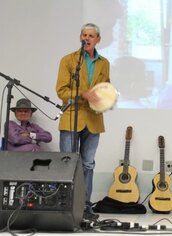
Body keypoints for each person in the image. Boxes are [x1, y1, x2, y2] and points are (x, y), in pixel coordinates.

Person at [56, 23, 110, 220]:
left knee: (88, 164)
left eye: (91, 35)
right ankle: (65, 206)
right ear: (80, 37)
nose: (87, 38)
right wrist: (83, 94)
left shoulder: (104, 62)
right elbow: (61, 91)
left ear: (98, 39)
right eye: (84, 35)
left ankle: (86, 207)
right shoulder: (69, 60)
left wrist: (107, 97)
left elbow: (106, 87)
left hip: (94, 120)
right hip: (72, 118)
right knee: (68, 163)